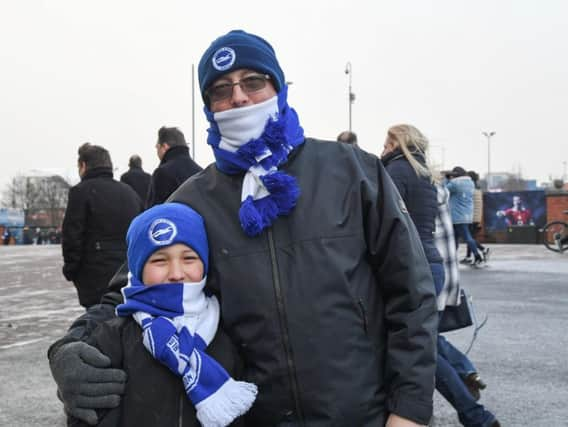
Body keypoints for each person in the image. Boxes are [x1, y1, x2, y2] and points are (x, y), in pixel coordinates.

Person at [48, 30, 437, 427]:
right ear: (209, 107)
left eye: (253, 82)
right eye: (220, 90)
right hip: (254, 415)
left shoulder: (353, 170)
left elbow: (411, 293)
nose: (238, 97)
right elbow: (129, 288)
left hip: (363, 415)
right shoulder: (192, 200)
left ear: (279, 87)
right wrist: (70, 347)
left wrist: (409, 407)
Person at [68, 202, 256, 427]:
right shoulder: (113, 338)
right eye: (159, 260)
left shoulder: (226, 334)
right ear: (137, 269)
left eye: (188, 258)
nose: (176, 274)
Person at [434, 183, 500, 427]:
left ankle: (475, 415)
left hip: (428, 271)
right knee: (426, 337)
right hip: (447, 263)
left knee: (419, 346)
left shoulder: (402, 178)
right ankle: (465, 370)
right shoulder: (441, 186)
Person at [61, 143, 144, 308]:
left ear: (83, 165)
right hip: (127, 273)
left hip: (94, 276)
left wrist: (71, 269)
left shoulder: (81, 192)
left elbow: (72, 235)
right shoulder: (129, 193)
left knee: (98, 324)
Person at [146, 126, 202, 207]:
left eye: (157, 147)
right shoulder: (200, 172)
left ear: (165, 146)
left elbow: (155, 213)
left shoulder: (162, 173)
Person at [446, 167, 483, 266]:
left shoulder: (455, 184)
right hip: (467, 216)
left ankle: (477, 256)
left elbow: (444, 190)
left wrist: (446, 178)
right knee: (456, 237)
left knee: (465, 237)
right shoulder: (471, 183)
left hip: (456, 216)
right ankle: (453, 256)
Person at [463, 171, 489, 264]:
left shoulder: (471, 189)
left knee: (469, 238)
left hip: (472, 217)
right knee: (470, 237)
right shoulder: (477, 189)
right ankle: (468, 256)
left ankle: (483, 249)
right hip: (476, 217)